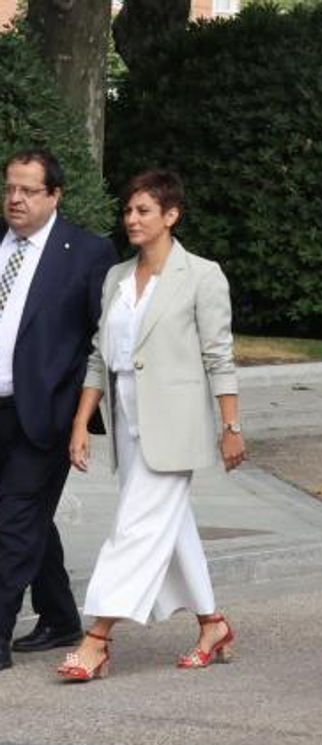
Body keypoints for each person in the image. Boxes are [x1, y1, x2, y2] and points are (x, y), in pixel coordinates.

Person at [57, 170, 245, 681]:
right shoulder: (117, 278)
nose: (132, 219)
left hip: (175, 424)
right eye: (128, 211)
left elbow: (218, 356)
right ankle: (213, 624)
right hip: (127, 420)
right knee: (170, 525)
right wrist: (81, 422)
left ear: (171, 215)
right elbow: (100, 355)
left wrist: (230, 426)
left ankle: (97, 637)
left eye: (143, 211)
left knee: (135, 527)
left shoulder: (202, 275)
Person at [0, 149, 114, 672]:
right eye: (10, 188)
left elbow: (102, 340)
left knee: (14, 521)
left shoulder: (86, 253)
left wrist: (80, 417)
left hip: (43, 414)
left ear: (55, 195)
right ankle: (61, 616)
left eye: (27, 190)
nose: (14, 199)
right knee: (29, 519)